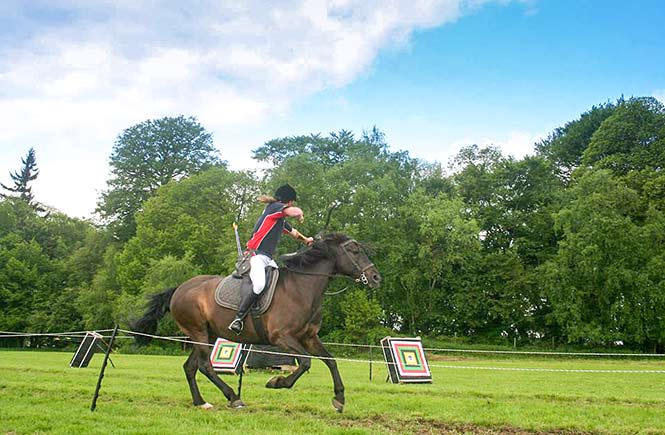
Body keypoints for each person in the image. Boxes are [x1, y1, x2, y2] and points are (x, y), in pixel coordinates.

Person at [228, 184, 314, 334]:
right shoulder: (274, 208)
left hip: (268, 259)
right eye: (292, 202)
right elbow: (294, 211)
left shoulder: (279, 220)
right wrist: (299, 213)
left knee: (283, 282)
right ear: (288, 201)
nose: (293, 205)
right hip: (255, 256)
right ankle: (238, 319)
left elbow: (294, 233)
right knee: (260, 285)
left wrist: (306, 240)